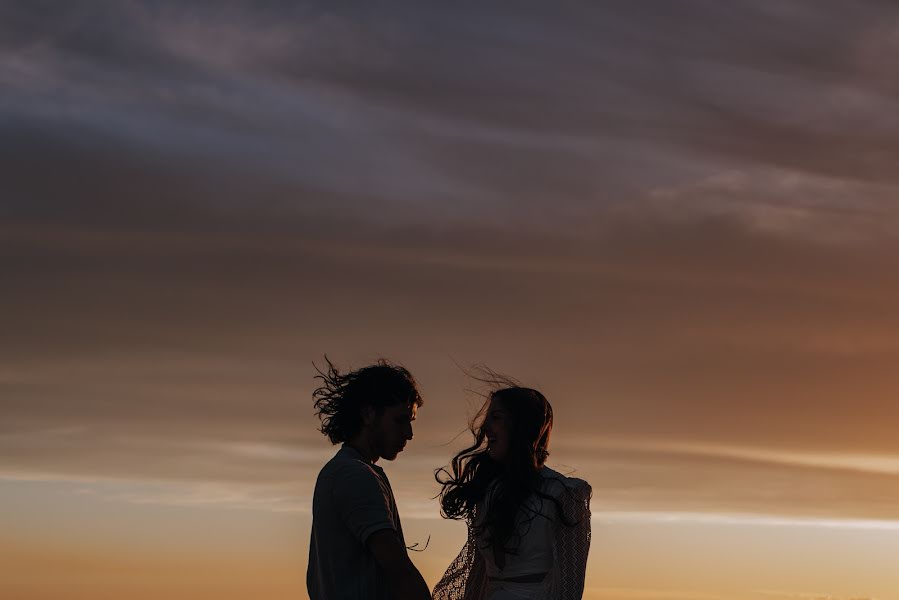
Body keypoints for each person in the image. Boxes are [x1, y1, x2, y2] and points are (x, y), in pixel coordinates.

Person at [433, 383, 592, 600]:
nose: (485, 427)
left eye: (496, 417)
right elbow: (478, 573)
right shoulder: (489, 490)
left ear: (521, 426)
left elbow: (570, 586)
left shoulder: (563, 493)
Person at [307, 357, 431, 600]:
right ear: (368, 414)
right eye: (400, 420)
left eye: (410, 421)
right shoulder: (354, 476)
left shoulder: (342, 471)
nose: (409, 433)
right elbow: (399, 572)